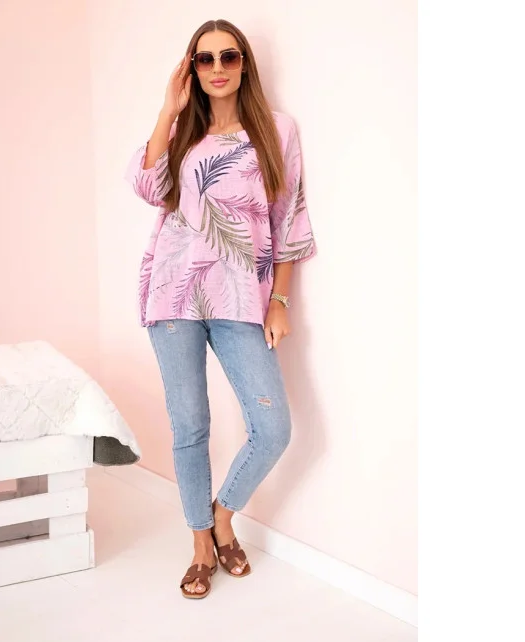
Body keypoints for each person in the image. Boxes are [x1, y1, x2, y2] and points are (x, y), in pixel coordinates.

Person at [125, 18, 317, 599]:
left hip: (241, 297)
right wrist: (168, 108)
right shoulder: (183, 132)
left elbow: (289, 220)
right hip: (174, 294)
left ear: (243, 63)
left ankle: (222, 516)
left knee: (273, 427)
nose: (216, 68)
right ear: (192, 68)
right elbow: (146, 186)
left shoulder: (276, 130)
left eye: (227, 56)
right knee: (190, 426)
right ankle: (200, 544)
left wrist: (279, 300)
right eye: (203, 59)